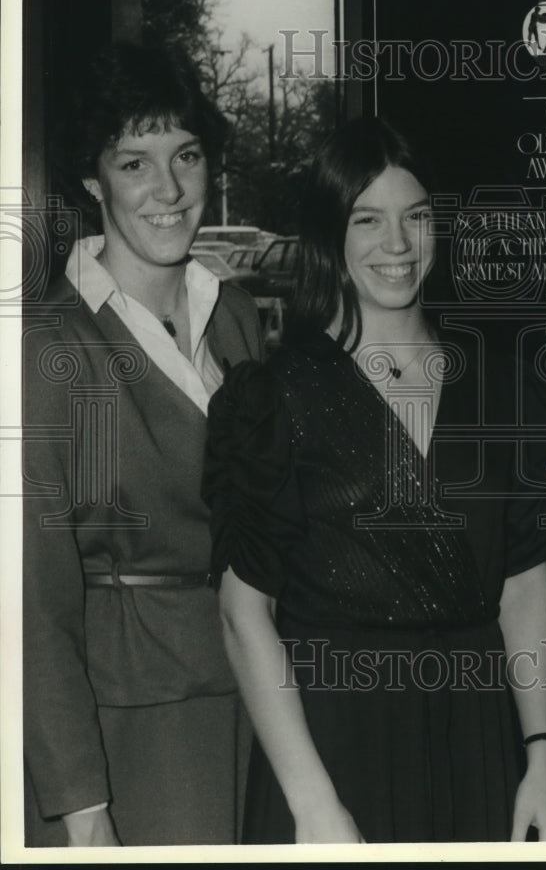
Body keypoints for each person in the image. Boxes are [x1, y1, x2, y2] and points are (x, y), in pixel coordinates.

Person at [203, 117, 546, 843]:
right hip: (334, 746)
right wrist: (311, 803)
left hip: (476, 739)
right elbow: (244, 615)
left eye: (417, 216)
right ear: (330, 235)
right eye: (368, 220)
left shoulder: (500, 387)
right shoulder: (276, 397)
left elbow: (524, 581)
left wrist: (541, 756)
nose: (397, 245)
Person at [23, 42, 264, 846]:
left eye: (186, 156)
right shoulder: (46, 348)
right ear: (92, 182)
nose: (169, 190)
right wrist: (80, 805)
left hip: (262, 698)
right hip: (132, 726)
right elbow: (31, 604)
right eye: (135, 163)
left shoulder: (234, 316)